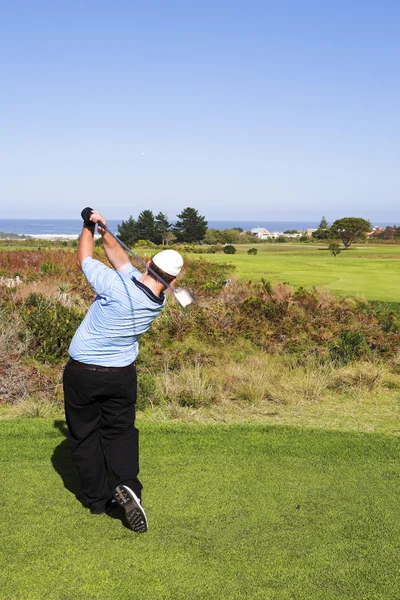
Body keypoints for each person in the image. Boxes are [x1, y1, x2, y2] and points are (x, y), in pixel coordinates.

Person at [63, 209, 183, 532]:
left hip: (83, 374)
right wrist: (106, 231)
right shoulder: (155, 302)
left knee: (85, 435)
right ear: (171, 282)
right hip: (121, 377)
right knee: (120, 433)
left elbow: (84, 258)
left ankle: (98, 501)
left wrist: (88, 225)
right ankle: (130, 486)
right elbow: (119, 258)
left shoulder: (116, 286)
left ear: (149, 264)